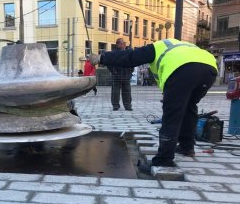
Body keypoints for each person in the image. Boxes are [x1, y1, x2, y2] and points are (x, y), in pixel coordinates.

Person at [90, 38, 218, 171]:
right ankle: (187, 147)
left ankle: (163, 160)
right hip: (209, 70)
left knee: (172, 115)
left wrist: (102, 58)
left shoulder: (157, 47)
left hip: (184, 69)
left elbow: (130, 57)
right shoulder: (182, 46)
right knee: (190, 108)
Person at [108, 38, 134, 111]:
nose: (125, 44)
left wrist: (130, 72)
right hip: (116, 75)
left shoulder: (128, 52)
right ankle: (115, 105)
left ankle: (128, 105)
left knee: (127, 91)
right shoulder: (113, 53)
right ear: (118, 44)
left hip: (126, 75)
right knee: (115, 91)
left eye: (125, 43)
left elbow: (132, 62)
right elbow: (108, 63)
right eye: (123, 43)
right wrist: (114, 71)